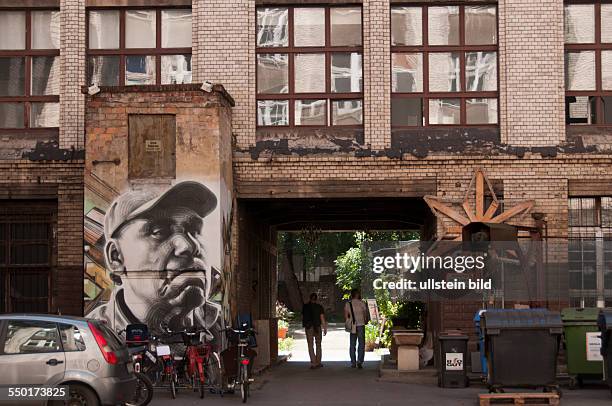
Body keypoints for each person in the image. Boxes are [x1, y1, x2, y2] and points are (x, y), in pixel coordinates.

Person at [87, 181, 223, 343]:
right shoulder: (93, 336)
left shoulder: (219, 325)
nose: (189, 245)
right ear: (116, 256)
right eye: (159, 231)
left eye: (194, 231)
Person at [344, 288, 369, 369]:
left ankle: (353, 362)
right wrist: (365, 321)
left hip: (352, 326)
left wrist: (349, 321)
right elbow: (365, 315)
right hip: (361, 325)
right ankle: (360, 361)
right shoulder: (362, 303)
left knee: (352, 344)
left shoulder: (348, 304)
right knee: (361, 344)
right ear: (357, 294)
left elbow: (346, 316)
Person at [302, 292, 327, 369]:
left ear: (310, 298)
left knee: (310, 345)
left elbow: (302, 317)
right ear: (316, 299)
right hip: (317, 327)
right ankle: (318, 362)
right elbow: (322, 318)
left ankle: (313, 362)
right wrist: (324, 328)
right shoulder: (319, 307)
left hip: (309, 327)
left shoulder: (305, 307)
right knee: (318, 344)